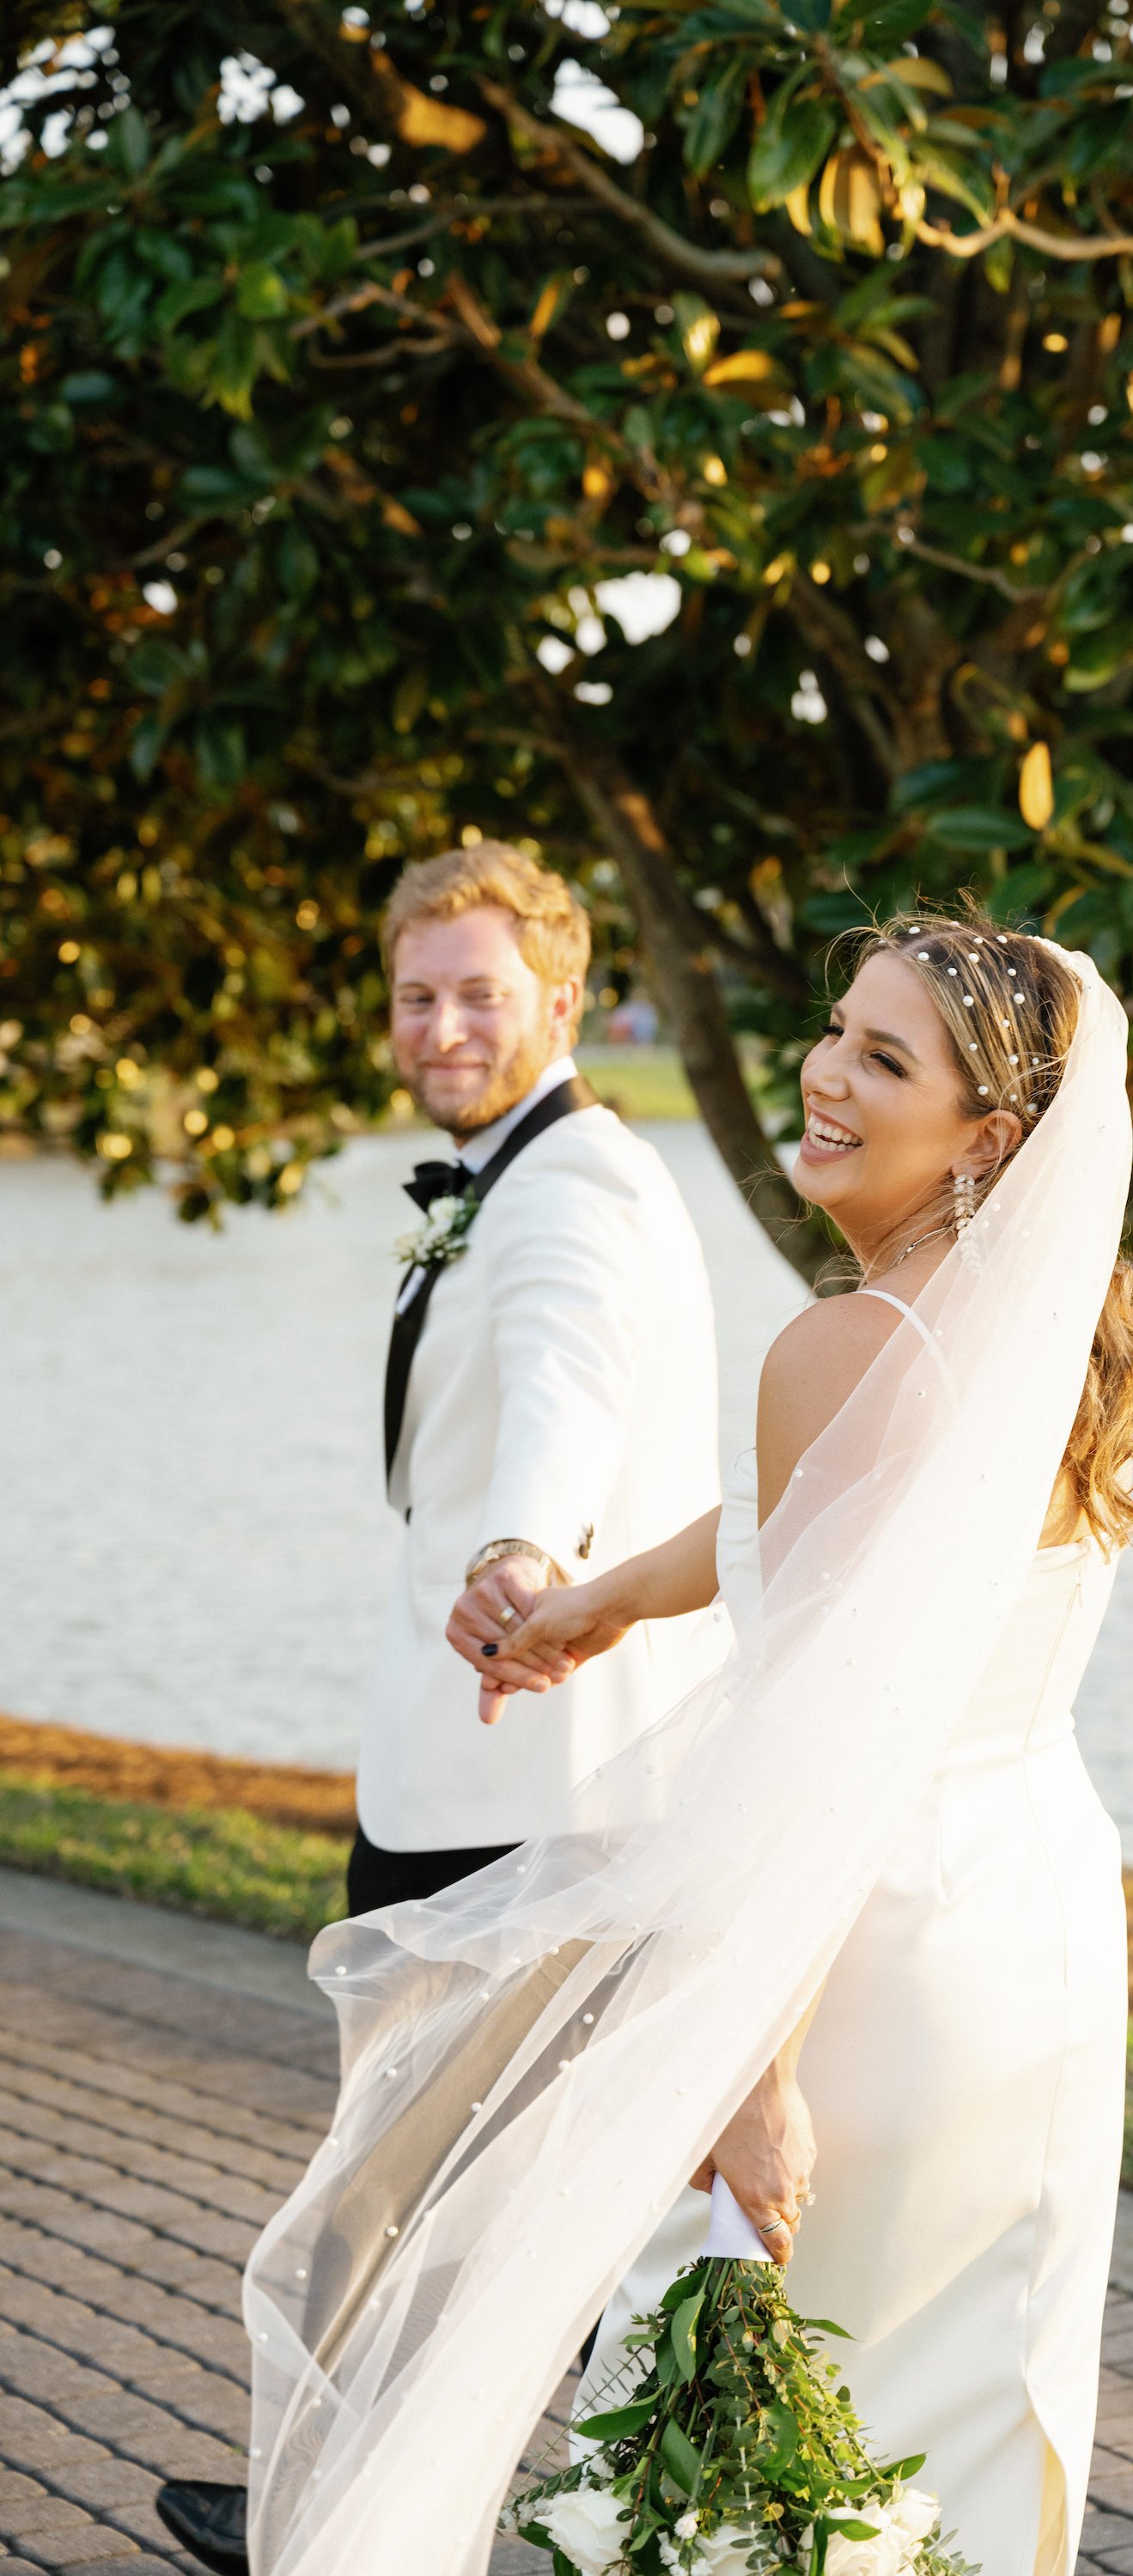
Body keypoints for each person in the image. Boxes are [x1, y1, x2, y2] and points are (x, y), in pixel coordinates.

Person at [238, 907, 1133, 2576]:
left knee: (744, 2453)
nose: (819, 1074)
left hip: (858, 1949)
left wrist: (755, 2075)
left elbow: (828, 1750)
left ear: (992, 1136)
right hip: (1027, 1939)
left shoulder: (841, 1344)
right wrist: (616, 1599)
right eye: (834, 1028)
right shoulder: (1039, 1339)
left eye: (883, 1060)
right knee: (936, 2428)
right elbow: (826, 1543)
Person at [155, 841, 721, 2576]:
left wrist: (517, 1551)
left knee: (402, 2187)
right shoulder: (502, 1174)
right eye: (418, 996)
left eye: (482, 993)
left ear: (563, 997)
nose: (445, 1025)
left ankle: (333, 2530)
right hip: (459, 1758)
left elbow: (562, 1382)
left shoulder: (574, 1194)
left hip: (521, 1774)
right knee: (439, 2190)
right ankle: (380, 2514)